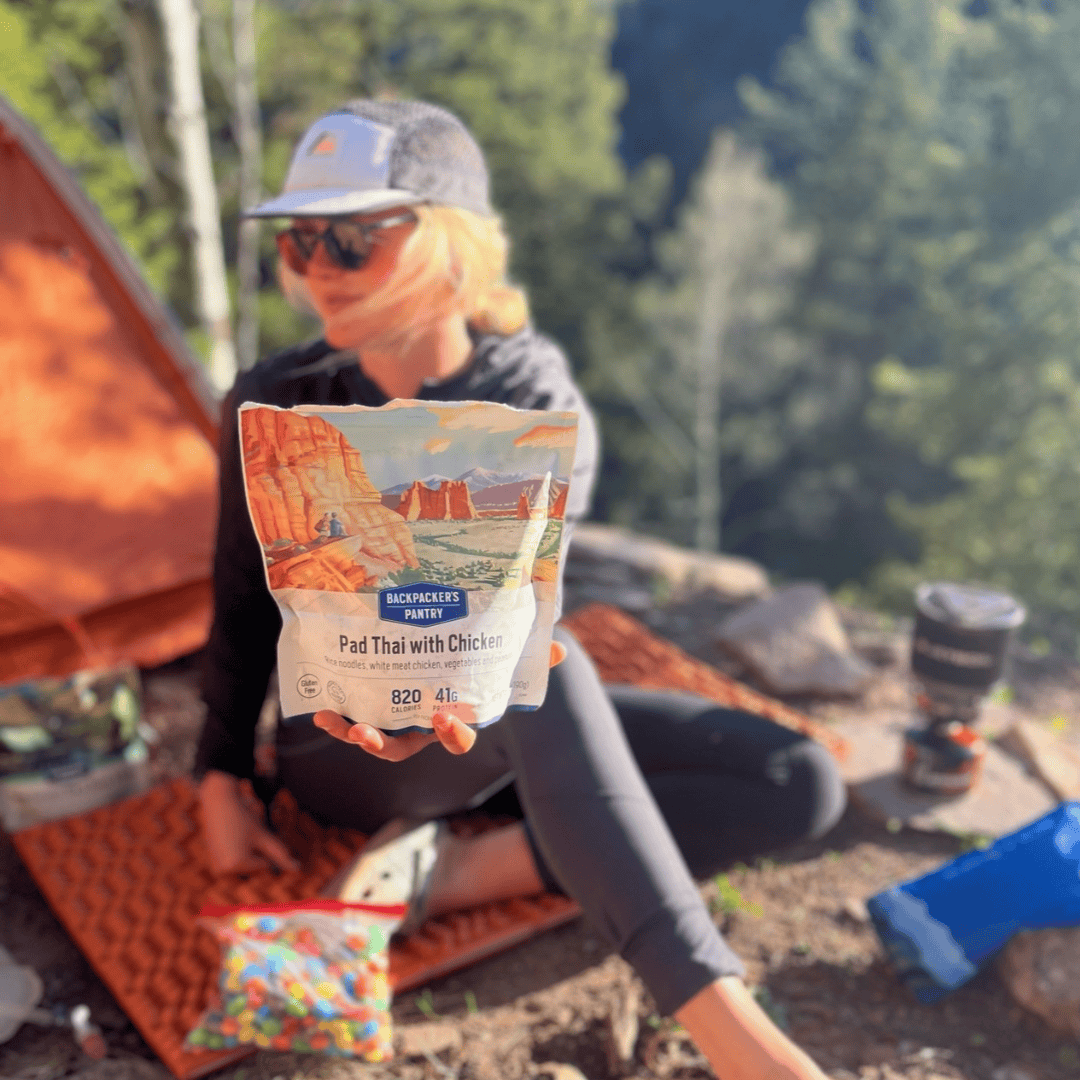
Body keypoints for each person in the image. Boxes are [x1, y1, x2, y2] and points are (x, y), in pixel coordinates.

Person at [195, 99, 845, 1080]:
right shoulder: (275, 399)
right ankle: (741, 1043)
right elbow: (243, 602)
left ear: (450, 243)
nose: (318, 265)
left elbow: (496, 622)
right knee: (547, 666)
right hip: (343, 740)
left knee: (798, 778)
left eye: (353, 235)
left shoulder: (530, 397)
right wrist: (219, 777)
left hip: (487, 712)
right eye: (300, 238)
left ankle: (454, 873)